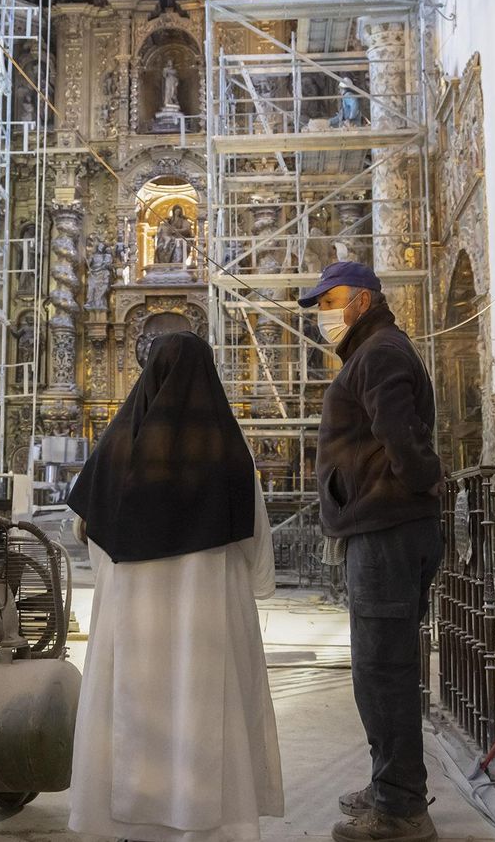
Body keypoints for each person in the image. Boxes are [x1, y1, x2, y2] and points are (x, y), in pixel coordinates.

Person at [66, 331, 284, 842]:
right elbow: (256, 549)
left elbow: (89, 536)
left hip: (133, 615)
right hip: (207, 616)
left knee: (132, 708)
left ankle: (127, 820)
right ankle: (211, 825)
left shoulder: (116, 453)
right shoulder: (230, 457)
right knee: (205, 708)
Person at [298, 262, 443, 842]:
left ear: (361, 300)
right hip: (384, 525)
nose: (321, 314)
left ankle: (402, 807)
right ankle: (391, 784)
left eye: (328, 300)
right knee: (381, 667)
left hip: (388, 529)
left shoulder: (380, 352)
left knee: (382, 670)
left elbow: (402, 437)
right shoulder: (372, 350)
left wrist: (422, 478)